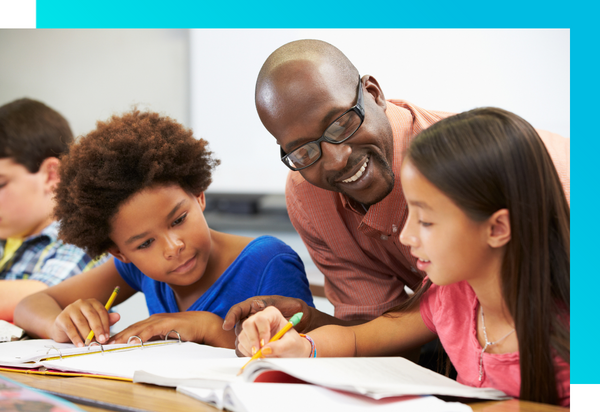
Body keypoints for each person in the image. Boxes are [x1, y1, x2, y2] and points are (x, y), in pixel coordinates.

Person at [223, 39, 570, 335]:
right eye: (304, 150)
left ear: (373, 94)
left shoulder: (490, 166)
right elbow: (379, 330)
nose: (336, 160)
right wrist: (311, 321)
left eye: (342, 122)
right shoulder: (308, 194)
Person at [236, 107, 570, 406]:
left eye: (425, 220)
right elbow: (357, 338)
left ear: (497, 228)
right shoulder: (451, 298)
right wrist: (303, 347)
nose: (407, 237)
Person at [13, 109, 314, 348]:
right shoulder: (135, 269)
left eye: (179, 220)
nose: (173, 248)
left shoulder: (268, 262)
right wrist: (60, 323)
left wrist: (205, 328)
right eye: (144, 244)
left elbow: (299, 352)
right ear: (120, 252)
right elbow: (31, 304)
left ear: (199, 195)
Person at [0, 98, 107, 322]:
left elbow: (44, 298)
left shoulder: (83, 237)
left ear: (51, 175)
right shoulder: (8, 235)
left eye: (1, 184)